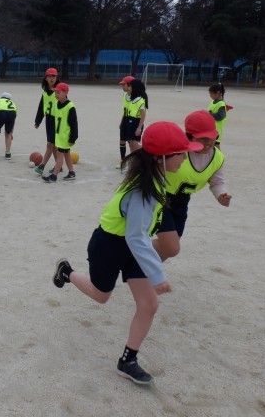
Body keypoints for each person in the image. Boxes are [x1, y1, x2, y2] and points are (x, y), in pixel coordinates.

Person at [52, 121, 203, 385]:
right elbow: (136, 237)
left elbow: (137, 239)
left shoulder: (154, 176)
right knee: (101, 296)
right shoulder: (144, 190)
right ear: (161, 157)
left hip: (133, 249)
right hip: (108, 246)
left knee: (149, 304)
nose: (185, 158)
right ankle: (67, 272)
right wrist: (157, 275)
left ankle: (128, 360)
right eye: (181, 153)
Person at [152, 110, 232, 260]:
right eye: (202, 139)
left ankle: (142, 266)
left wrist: (221, 194)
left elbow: (217, 181)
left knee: (171, 247)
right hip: (160, 197)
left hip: (181, 202)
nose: (207, 144)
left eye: (211, 138)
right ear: (188, 136)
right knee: (171, 247)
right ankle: (136, 259)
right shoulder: (177, 151)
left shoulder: (218, 158)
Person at [42, 82, 78, 182]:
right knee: (66, 153)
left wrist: (73, 138)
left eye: (59, 92)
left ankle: (54, 176)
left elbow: (74, 124)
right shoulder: (57, 104)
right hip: (59, 135)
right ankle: (71, 172)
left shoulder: (70, 106)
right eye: (55, 93)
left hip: (65, 136)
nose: (56, 95)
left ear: (65, 92)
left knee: (59, 155)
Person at [33, 68, 60, 175]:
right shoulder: (45, 92)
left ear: (56, 78)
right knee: (54, 146)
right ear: (46, 78)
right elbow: (41, 107)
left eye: (53, 76)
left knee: (50, 144)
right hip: (48, 120)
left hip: (57, 120)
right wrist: (38, 121)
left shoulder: (59, 90)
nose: (51, 78)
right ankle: (58, 166)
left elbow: (65, 105)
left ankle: (42, 166)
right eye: (49, 76)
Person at [118, 77, 148, 168]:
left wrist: (139, 128)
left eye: (129, 86)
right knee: (131, 144)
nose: (128, 88)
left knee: (134, 145)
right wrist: (122, 121)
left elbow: (143, 115)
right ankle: (130, 162)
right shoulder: (131, 98)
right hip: (129, 120)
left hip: (135, 122)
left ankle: (148, 152)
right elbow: (126, 110)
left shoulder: (139, 100)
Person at [116, 75, 135, 168]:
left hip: (133, 120)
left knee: (132, 143)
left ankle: (133, 161)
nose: (122, 87)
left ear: (130, 85)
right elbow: (125, 110)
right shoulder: (124, 95)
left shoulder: (136, 97)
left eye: (124, 85)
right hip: (125, 119)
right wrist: (122, 121)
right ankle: (123, 160)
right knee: (122, 140)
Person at [207, 83, 227, 148]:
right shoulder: (212, 102)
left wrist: (209, 114)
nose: (210, 96)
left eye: (211, 94)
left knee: (216, 147)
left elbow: (220, 116)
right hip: (211, 129)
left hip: (216, 131)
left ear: (218, 93)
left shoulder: (221, 104)